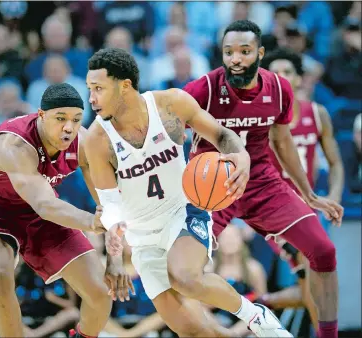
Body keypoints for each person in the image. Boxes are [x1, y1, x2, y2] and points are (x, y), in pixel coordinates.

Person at [84, 47, 292, 337]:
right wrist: (115, 259)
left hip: (182, 212)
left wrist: (241, 156)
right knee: (194, 331)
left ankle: (255, 315)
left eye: (98, 88)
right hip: (142, 238)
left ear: (125, 86)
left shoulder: (170, 104)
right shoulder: (96, 139)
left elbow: (221, 135)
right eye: (89, 89)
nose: (91, 98)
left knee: (185, 277)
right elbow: (110, 205)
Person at [183, 20, 343, 338]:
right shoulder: (205, 87)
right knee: (185, 272)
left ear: (260, 53)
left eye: (244, 51)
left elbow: (282, 142)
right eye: (229, 52)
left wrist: (309, 194)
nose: (236, 58)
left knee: (324, 251)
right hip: (212, 188)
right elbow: (171, 127)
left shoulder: (278, 88)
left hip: (261, 183)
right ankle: (223, 329)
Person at [0, 83, 131, 338]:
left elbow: (108, 206)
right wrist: (94, 223)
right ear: (41, 115)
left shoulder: (83, 144)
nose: (68, 127)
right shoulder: (13, 145)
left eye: (76, 119)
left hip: (38, 213)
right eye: (60, 118)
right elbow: (46, 205)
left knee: (101, 293)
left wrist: (115, 260)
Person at [258, 47, 345, 332]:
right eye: (275, 73)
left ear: (298, 79)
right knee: (310, 270)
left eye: (288, 72)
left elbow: (335, 164)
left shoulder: (317, 114)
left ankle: (258, 302)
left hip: (309, 208)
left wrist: (333, 195)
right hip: (274, 209)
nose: (282, 77)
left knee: (312, 279)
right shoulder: (258, 118)